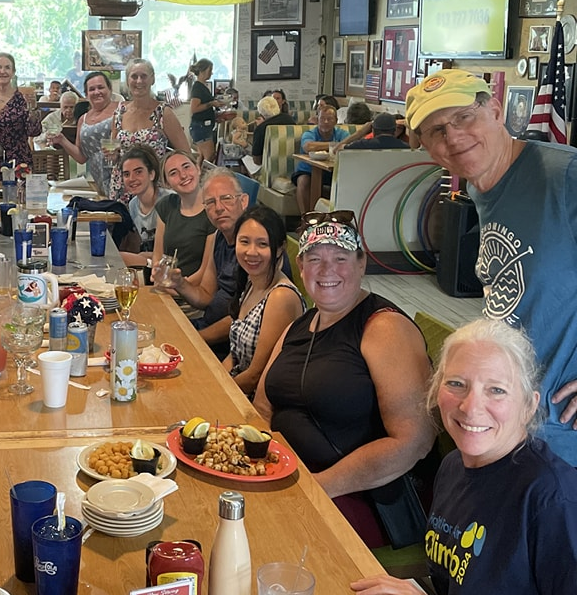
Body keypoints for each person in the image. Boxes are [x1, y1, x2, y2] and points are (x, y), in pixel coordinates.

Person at [405, 68, 577, 466]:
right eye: (436, 131)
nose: (453, 137)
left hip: (563, 441)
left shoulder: (563, 177)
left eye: (464, 117)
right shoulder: (481, 187)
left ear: (496, 110)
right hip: (513, 429)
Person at [351, 319, 577, 595]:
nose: (470, 407)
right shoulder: (453, 466)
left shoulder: (554, 499)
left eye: (496, 390)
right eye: (456, 383)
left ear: (529, 405)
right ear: (436, 390)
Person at [254, 212, 436, 548]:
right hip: (290, 477)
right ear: (301, 266)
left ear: (361, 263)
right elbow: (263, 405)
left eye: (340, 258)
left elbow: (415, 442)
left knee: (259, 540)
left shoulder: (383, 328)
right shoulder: (302, 325)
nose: (326, 271)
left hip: (363, 498)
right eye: (314, 259)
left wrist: (317, 487)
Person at [164, 168, 252, 356]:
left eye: (226, 198)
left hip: (227, 345)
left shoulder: (254, 248)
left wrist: (196, 338)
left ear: (243, 201)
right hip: (205, 326)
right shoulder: (219, 236)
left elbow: (245, 319)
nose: (219, 208)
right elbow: (205, 296)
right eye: (210, 202)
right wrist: (179, 284)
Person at [225, 205, 304, 395]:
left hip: (258, 401)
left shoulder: (280, 296)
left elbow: (256, 375)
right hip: (236, 389)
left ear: (279, 249)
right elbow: (234, 355)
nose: (251, 252)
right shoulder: (252, 282)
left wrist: (216, 392)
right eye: (244, 241)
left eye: (262, 244)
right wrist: (214, 378)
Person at [108, 58, 190, 202]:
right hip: (123, 186)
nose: (139, 81)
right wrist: (112, 155)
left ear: (152, 79)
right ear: (127, 81)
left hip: (154, 189)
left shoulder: (163, 113)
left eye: (143, 76)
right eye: (134, 76)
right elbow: (114, 155)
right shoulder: (119, 113)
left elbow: (185, 154)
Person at [151, 150, 215, 285]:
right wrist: (158, 275)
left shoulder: (213, 211)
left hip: (192, 293)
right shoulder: (166, 205)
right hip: (166, 288)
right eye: (173, 173)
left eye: (186, 167)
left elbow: (204, 272)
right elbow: (158, 255)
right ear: (167, 183)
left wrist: (176, 288)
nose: (183, 175)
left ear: (197, 168)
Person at [49, 71, 116, 197]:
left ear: (110, 89)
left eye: (101, 87)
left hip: (121, 177)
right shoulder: (83, 119)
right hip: (99, 183)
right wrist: (62, 140)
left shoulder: (121, 111)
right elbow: (81, 157)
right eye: (92, 89)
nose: (97, 92)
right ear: (86, 94)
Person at [119, 145, 172, 269]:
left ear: (152, 174)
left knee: (119, 258)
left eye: (138, 172)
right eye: (126, 174)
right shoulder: (133, 205)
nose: (132, 179)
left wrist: (143, 256)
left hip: (171, 263)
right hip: (152, 260)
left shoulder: (169, 201)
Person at [292, 104, 349, 213]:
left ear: (336, 121)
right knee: (303, 182)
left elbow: (348, 145)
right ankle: (306, 219)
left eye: (329, 119)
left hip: (333, 171)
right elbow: (308, 146)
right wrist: (334, 145)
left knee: (346, 182)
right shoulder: (310, 133)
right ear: (317, 120)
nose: (326, 122)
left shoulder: (342, 133)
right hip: (308, 170)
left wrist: (333, 145)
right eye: (322, 119)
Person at [189, 58, 219, 163]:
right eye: (209, 70)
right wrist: (211, 104)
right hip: (201, 127)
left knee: (201, 159)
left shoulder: (202, 86)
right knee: (209, 157)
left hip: (204, 126)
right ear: (202, 71)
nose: (211, 73)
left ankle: (199, 176)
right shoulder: (197, 87)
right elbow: (194, 108)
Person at [250, 94, 295, 160]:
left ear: (261, 114)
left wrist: (261, 126)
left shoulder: (261, 128)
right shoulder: (290, 119)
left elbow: (257, 160)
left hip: (269, 167)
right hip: (292, 161)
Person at [344, 113, 409, 150]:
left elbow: (337, 150)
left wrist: (360, 132)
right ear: (394, 130)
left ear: (373, 130)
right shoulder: (406, 148)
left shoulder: (361, 145)